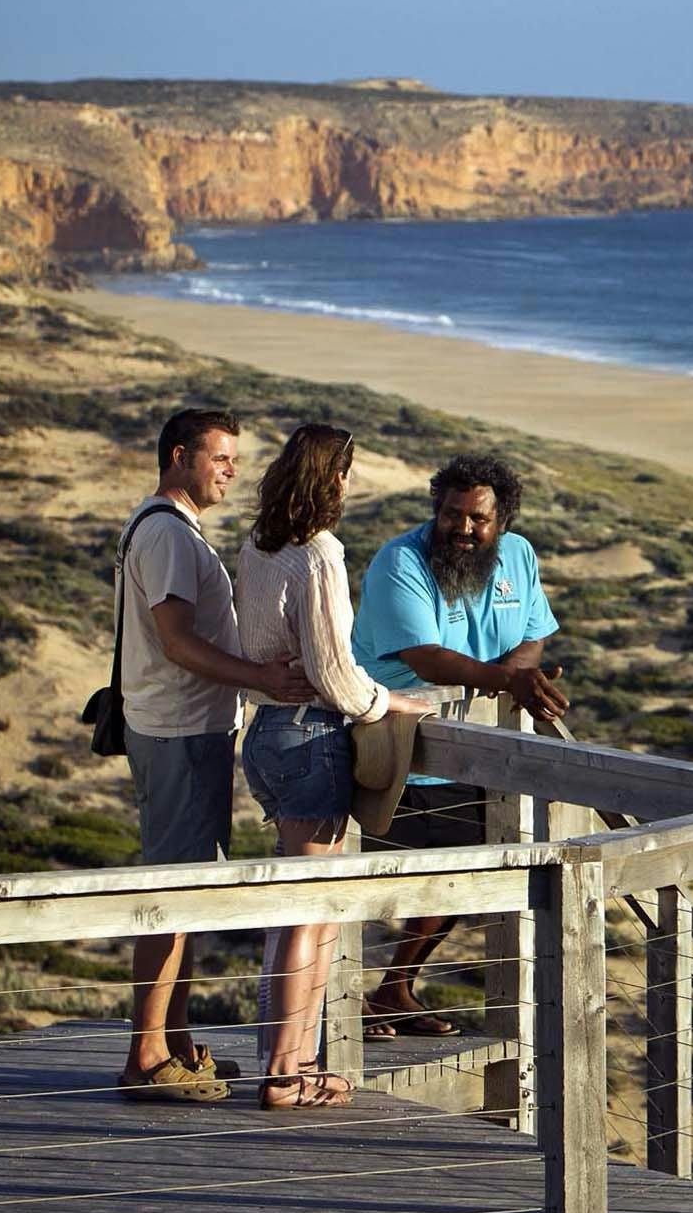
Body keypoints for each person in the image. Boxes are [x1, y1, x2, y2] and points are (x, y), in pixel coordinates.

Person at [235, 424, 435, 1109]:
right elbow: (333, 672)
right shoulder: (319, 553)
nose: (349, 485)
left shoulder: (259, 546)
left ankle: (288, 1063)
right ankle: (288, 1073)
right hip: (311, 736)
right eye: (346, 473)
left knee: (298, 913)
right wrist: (389, 700)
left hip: (265, 732)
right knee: (310, 918)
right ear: (333, 477)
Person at [117, 408, 312, 1103]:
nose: (232, 471)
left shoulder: (165, 526)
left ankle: (172, 1041)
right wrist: (259, 678)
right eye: (220, 458)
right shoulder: (168, 536)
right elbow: (174, 641)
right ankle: (144, 1055)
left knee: (186, 890)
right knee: (170, 892)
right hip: (177, 731)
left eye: (234, 460)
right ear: (179, 456)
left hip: (182, 728)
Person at [351, 451, 568, 1035]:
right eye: (452, 515)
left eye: (478, 519)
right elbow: (424, 656)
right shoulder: (401, 560)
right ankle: (339, 1013)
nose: (464, 529)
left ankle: (394, 990)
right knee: (368, 882)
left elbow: (533, 636)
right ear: (435, 509)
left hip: (472, 751)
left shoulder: (518, 557)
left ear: (503, 521)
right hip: (389, 746)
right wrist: (507, 680)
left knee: (466, 866)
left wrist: (517, 673)